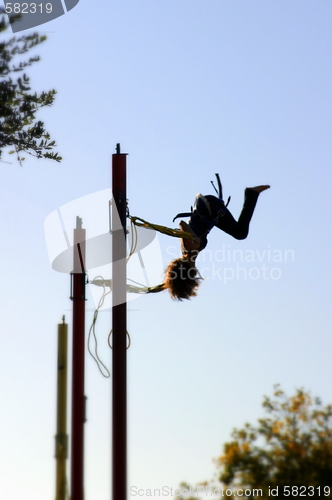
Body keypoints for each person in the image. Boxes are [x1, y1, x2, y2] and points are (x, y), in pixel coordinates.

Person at [164, 175, 270, 300]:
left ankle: (251, 194)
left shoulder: (190, 248)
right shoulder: (188, 252)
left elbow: (182, 223)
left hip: (211, 208)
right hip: (210, 211)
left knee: (240, 233)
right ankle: (251, 194)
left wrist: (192, 236)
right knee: (239, 233)